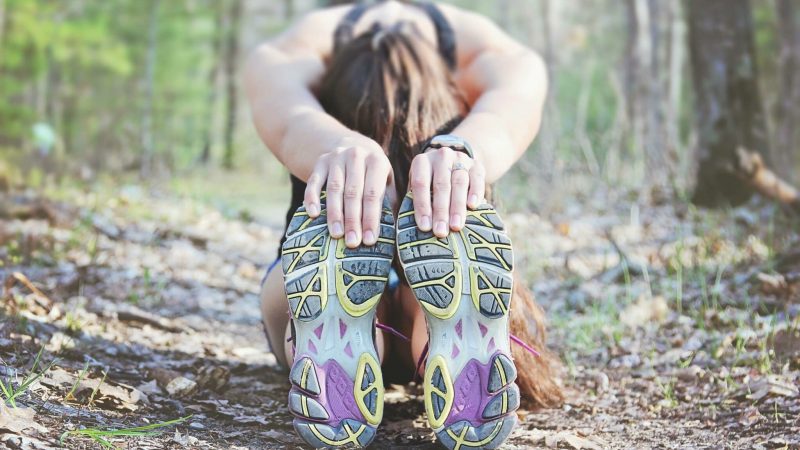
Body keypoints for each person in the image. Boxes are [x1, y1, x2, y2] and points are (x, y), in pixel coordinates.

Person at [245, 1, 562, 448]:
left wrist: (336, 149)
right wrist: (463, 152)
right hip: (443, 237)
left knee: (298, 291)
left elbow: (285, 112)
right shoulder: (470, 39)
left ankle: (342, 340)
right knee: (433, 292)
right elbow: (516, 97)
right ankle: (430, 331)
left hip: (331, 243)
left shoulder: (311, 37)